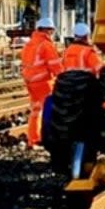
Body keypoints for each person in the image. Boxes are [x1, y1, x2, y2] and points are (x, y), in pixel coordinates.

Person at [20, 17, 63, 146]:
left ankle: (33, 138)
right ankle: (47, 137)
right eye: (51, 30)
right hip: (43, 82)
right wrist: (63, 77)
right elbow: (55, 65)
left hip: (30, 82)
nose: (52, 33)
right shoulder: (46, 45)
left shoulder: (29, 44)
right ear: (47, 30)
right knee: (48, 111)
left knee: (35, 110)